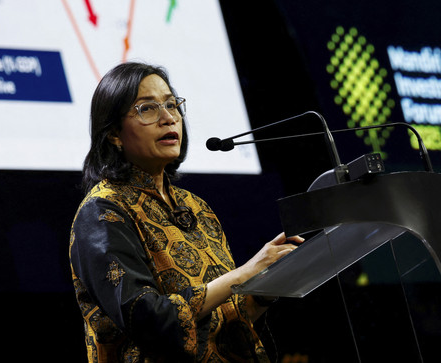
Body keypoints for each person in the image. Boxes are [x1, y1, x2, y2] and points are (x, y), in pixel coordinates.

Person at [69, 62, 303, 362]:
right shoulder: (103, 209)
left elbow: (224, 320)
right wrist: (245, 272)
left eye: (171, 104)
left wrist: (266, 288)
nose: (169, 118)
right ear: (114, 133)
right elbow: (146, 318)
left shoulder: (195, 206)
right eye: (148, 109)